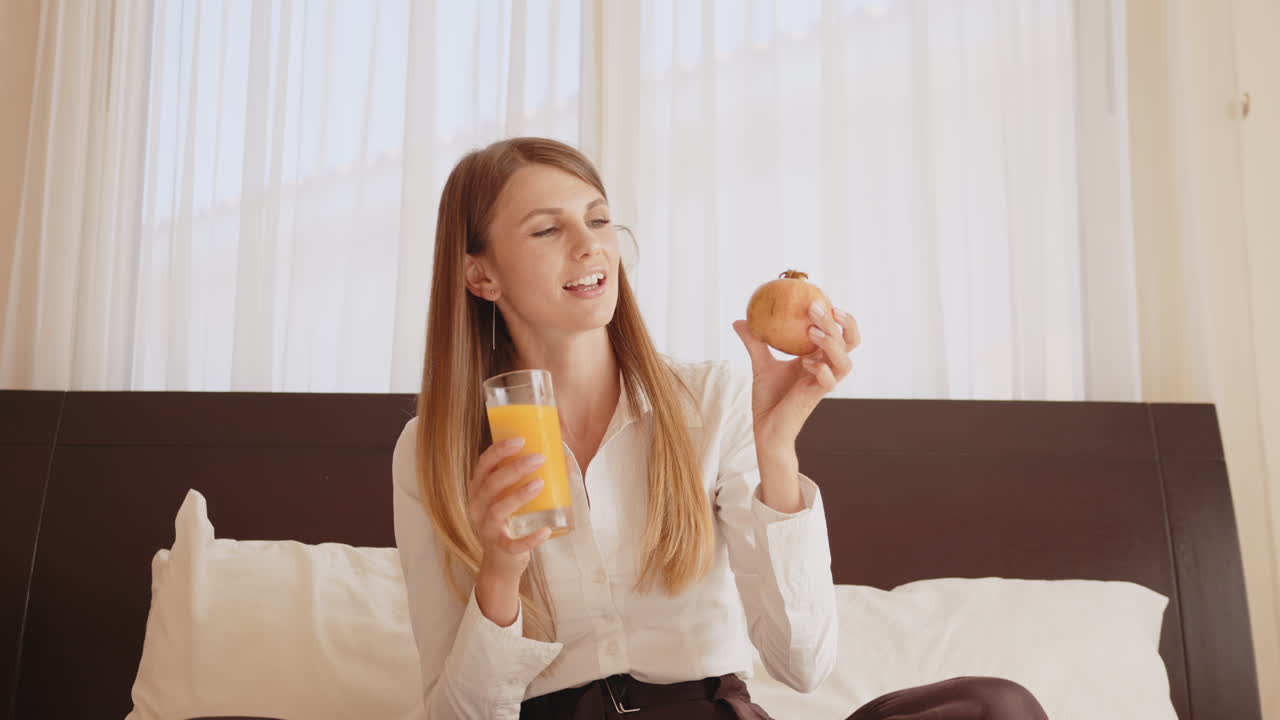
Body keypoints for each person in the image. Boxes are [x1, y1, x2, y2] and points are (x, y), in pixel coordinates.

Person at [391, 137, 1048, 720]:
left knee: (994, 709)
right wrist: (501, 574)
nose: (591, 244)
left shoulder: (709, 398)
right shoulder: (432, 450)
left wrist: (776, 452)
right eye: (546, 230)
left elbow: (802, 663)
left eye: (597, 219)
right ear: (480, 275)